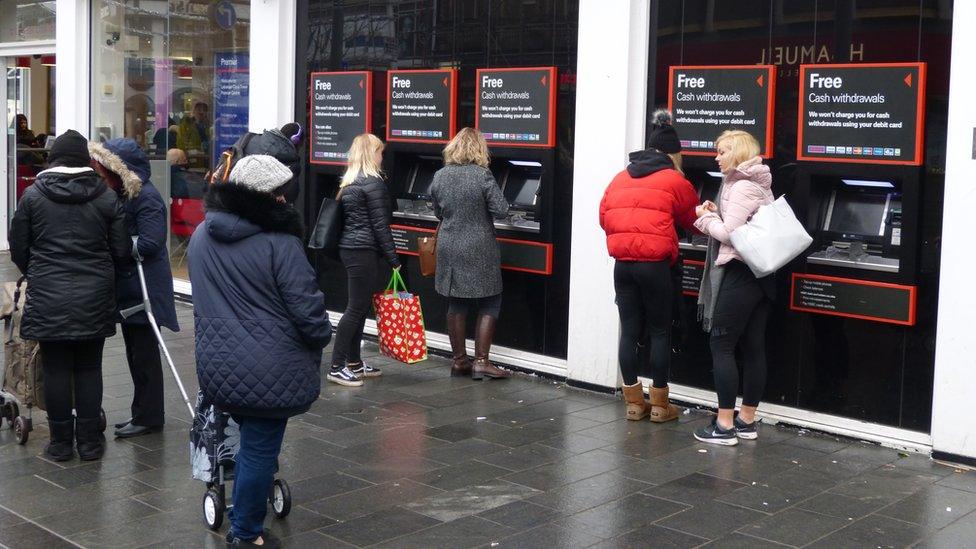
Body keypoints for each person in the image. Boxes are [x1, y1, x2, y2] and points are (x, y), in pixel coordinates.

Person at [188, 154, 332, 547]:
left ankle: (244, 510)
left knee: (250, 441)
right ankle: (247, 532)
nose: (285, 201)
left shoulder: (202, 234)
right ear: (267, 197)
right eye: (281, 195)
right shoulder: (279, 243)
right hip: (271, 366)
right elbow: (307, 307)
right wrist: (322, 335)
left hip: (218, 362)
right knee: (259, 450)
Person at [8, 130, 131, 461]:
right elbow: (122, 250)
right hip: (95, 295)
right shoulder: (106, 198)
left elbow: (18, 247)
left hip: (49, 294)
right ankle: (90, 442)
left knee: (56, 369)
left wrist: (38, 272)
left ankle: (60, 443)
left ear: (53, 159)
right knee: (90, 368)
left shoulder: (32, 196)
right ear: (86, 160)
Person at [599, 110, 699, 420]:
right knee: (659, 332)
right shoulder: (673, 179)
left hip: (623, 265)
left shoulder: (620, 177)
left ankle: (632, 402)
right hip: (655, 266)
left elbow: (603, 217)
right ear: (673, 153)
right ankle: (659, 405)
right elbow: (693, 221)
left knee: (629, 331)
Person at [89, 139, 179, 439]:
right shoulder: (128, 194)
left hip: (145, 290)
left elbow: (152, 242)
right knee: (135, 353)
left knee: (144, 356)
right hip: (132, 288)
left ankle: (149, 416)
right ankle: (142, 412)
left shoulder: (147, 198)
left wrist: (118, 246)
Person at [693, 130, 775, 446]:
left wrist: (704, 220)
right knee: (753, 346)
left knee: (722, 346)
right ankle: (746, 420)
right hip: (761, 273)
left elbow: (730, 234)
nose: (717, 156)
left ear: (738, 153)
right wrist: (718, 213)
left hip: (741, 273)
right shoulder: (756, 182)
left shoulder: (741, 185)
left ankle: (725, 425)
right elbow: (741, 222)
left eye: (723, 151)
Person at [429, 128, 511, 380]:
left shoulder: (440, 175)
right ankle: (482, 362)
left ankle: (459, 361)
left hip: (449, 243)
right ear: (479, 149)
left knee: (456, 302)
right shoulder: (482, 176)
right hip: (479, 246)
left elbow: (437, 212)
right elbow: (502, 210)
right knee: (490, 300)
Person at [328, 133, 399, 387]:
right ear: (372, 154)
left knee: (358, 307)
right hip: (363, 250)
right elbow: (381, 227)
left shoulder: (349, 182)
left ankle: (354, 362)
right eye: (380, 152)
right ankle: (336, 367)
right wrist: (394, 259)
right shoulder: (373, 183)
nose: (383, 157)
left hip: (350, 249)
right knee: (356, 308)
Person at [240, 123, 305, 205]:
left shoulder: (254, 140)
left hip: (241, 197)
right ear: (295, 140)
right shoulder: (290, 159)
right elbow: (290, 196)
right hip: (263, 208)